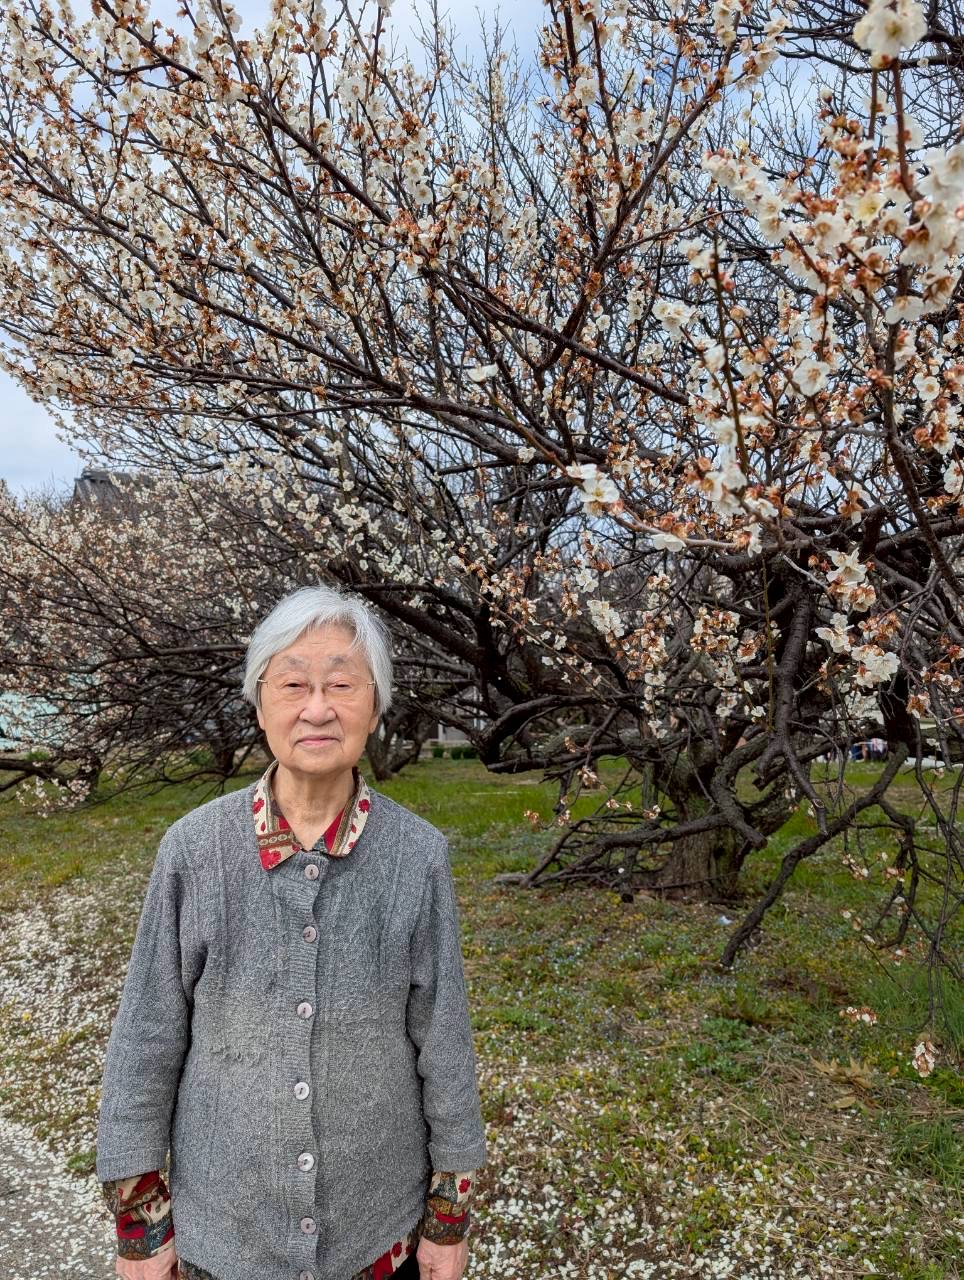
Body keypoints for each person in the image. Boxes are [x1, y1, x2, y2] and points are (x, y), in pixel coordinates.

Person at [96, 585, 487, 1280]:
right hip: (223, 1237)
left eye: (341, 684)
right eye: (294, 684)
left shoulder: (418, 856)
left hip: (376, 1232)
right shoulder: (192, 850)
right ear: (260, 702)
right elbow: (146, 1039)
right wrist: (140, 1225)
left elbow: (445, 1038)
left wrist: (449, 1220)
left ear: (375, 706)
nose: (317, 708)